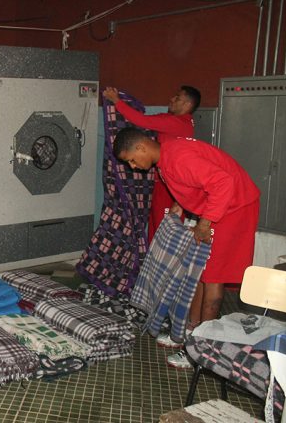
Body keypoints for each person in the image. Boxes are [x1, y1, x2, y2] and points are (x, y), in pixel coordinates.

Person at [113, 127, 260, 369]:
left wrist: (205, 221)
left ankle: (202, 352)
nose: (133, 166)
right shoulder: (165, 154)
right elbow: (192, 184)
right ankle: (189, 332)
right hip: (222, 206)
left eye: (131, 160)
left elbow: (224, 182)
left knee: (212, 277)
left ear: (141, 147)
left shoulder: (179, 158)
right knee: (199, 272)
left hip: (234, 208)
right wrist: (178, 207)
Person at [102, 86, 200, 244]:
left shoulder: (177, 123)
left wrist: (117, 101)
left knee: (164, 229)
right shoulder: (175, 121)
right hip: (163, 181)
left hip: (170, 185)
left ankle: (162, 265)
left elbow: (142, 121)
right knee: (157, 225)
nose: (172, 99)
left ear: (187, 104)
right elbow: (146, 120)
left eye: (177, 97)